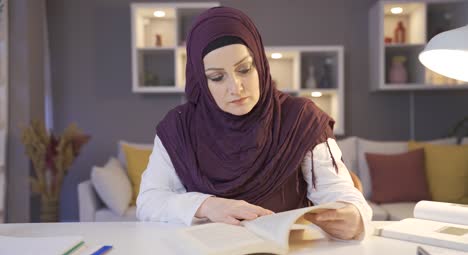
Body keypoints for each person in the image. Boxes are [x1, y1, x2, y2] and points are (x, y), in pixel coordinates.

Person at [137, 6, 372, 240]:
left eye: (244, 69)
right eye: (217, 77)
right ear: (201, 79)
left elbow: (341, 195)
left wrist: (355, 216)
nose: (235, 87)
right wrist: (207, 205)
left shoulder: (301, 118)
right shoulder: (179, 128)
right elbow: (148, 201)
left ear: (259, 63)